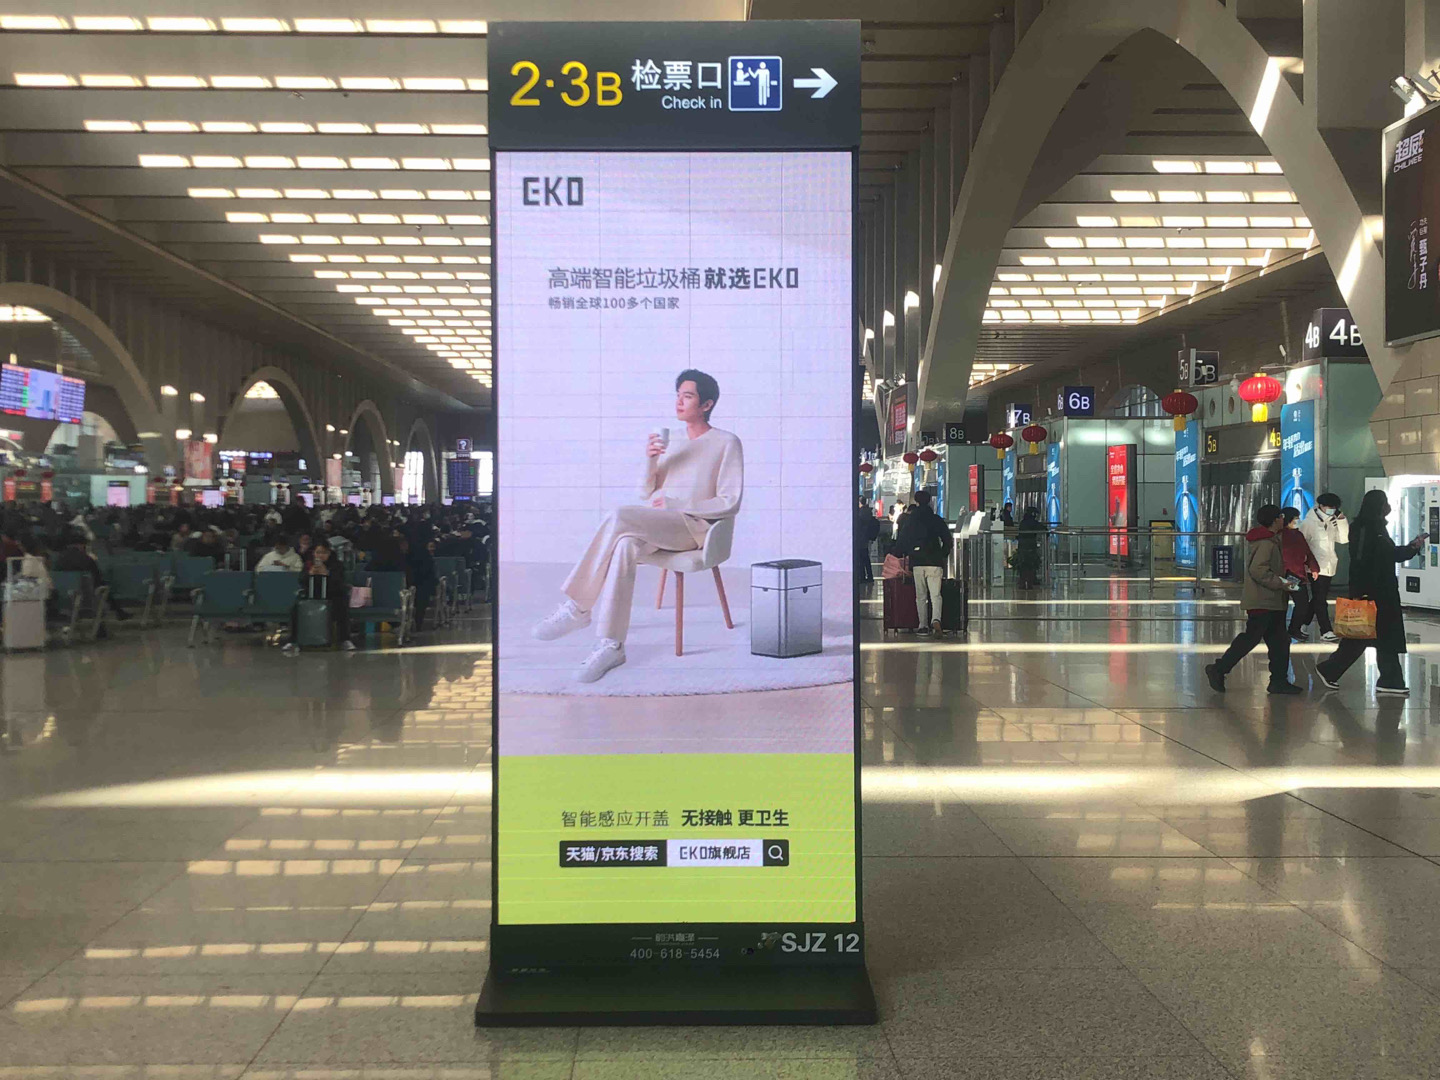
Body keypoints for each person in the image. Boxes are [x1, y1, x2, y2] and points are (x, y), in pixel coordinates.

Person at [530, 369, 744, 683]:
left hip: (696, 530)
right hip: (663, 525)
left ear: (707, 404)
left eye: (687, 396)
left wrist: (677, 503)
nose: (679, 402)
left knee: (619, 515)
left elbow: (730, 501)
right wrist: (651, 460)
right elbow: (645, 493)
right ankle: (611, 644)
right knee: (624, 545)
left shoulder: (726, 442)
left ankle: (578, 607)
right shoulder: (673, 440)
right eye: (677, 395)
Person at [1316, 489, 1426, 695]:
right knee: (1362, 635)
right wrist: (1359, 592)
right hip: (1372, 592)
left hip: (1383, 591)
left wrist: (1412, 547)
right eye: (1385, 503)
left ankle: (1390, 680)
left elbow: (1390, 554)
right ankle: (1330, 669)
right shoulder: (1365, 529)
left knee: (1383, 635)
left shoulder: (1377, 528)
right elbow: (1360, 561)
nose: (1388, 507)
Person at [1206, 504, 1302, 695]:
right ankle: (1219, 668)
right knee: (1251, 638)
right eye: (1281, 516)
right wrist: (1281, 582)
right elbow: (1258, 570)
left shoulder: (1270, 540)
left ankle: (1278, 680)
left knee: (1279, 641)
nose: (1283, 519)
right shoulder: (1266, 543)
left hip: (1272, 600)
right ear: (1275, 520)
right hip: (1263, 600)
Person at [894, 489, 952, 634]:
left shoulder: (911, 520)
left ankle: (923, 625)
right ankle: (936, 620)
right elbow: (947, 539)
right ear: (930, 501)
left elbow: (903, 540)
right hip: (935, 560)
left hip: (918, 560)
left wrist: (903, 553)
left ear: (916, 501)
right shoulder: (936, 519)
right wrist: (942, 554)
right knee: (936, 595)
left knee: (921, 595)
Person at [283, 540, 354, 655]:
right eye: (318, 552)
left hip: (332, 594)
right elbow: (301, 580)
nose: (320, 555)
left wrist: (327, 573)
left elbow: (339, 582)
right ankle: (293, 640)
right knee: (296, 608)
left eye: (324, 553)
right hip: (312, 594)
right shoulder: (308, 564)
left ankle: (345, 639)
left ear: (329, 553)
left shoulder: (337, 565)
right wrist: (309, 574)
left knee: (341, 607)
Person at [1298, 493, 1348, 642]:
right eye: (1329, 507)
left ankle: (1302, 624)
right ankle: (1326, 630)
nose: (1331, 510)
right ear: (1320, 505)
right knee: (1320, 599)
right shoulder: (1309, 522)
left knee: (1318, 598)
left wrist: (1341, 520)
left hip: (1329, 565)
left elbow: (1343, 539)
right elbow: (1302, 545)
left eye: (1334, 508)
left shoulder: (1332, 521)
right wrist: (1307, 565)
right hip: (1315, 567)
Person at [53, 530, 132, 624]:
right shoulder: (86, 559)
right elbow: (97, 578)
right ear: (81, 545)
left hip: (62, 598)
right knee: (103, 587)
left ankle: (118, 612)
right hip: (86, 598)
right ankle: (117, 613)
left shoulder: (59, 560)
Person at [1279, 506, 1320, 641]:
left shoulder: (1298, 535)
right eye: (1296, 518)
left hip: (1297, 575)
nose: (1298, 520)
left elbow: (1307, 553)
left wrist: (1313, 568)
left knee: (1302, 604)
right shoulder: (1280, 535)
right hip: (1286, 575)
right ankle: (1287, 630)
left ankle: (1293, 629)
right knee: (1286, 604)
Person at [1015, 505, 1044, 590]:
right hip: (1031, 546)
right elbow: (1042, 528)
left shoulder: (1023, 522)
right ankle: (1030, 582)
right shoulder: (1033, 522)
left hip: (1022, 546)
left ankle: (1022, 582)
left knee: (1023, 565)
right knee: (1031, 565)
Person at [855, 498, 879, 585]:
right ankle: (869, 576)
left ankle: (863, 576)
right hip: (865, 538)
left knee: (862, 558)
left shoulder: (861, 513)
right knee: (865, 558)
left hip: (861, 539)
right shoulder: (868, 511)